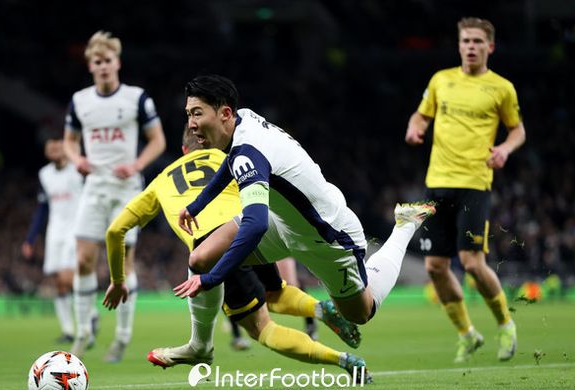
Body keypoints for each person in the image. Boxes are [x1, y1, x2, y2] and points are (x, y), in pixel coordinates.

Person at [146, 75, 433, 343]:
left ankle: (404, 226)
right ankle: (200, 345)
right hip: (283, 219)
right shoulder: (243, 119)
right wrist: (198, 204)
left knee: (361, 312)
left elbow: (255, 224)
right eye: (189, 114)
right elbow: (231, 163)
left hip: (327, 235)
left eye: (197, 114)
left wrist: (213, 279)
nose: (191, 123)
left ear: (224, 113)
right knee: (202, 256)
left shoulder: (248, 153)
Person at [103, 129, 367, 382]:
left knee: (263, 329)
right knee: (274, 293)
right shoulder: (230, 156)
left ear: (184, 150)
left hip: (212, 246)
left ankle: (342, 360)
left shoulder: (162, 180)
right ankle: (320, 308)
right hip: (246, 231)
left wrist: (118, 280)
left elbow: (115, 231)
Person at [405, 17, 525, 363]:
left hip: (474, 184)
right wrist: (414, 128)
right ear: (459, 46)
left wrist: (505, 149)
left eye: (477, 41)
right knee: (434, 267)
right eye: (466, 41)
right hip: (437, 183)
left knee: (472, 263)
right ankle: (467, 334)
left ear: (490, 47)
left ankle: (505, 324)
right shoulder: (441, 80)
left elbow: (518, 130)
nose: (471, 46)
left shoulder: (502, 88)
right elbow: (420, 116)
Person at [63, 30, 167, 362]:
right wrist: (76, 159)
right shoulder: (80, 101)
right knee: (83, 259)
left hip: (126, 189)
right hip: (94, 186)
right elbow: (69, 141)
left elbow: (158, 141)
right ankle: (83, 332)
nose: (103, 66)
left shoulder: (137, 98)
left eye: (108, 60)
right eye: (97, 61)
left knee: (122, 263)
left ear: (117, 63)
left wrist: (136, 164)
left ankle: (122, 336)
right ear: (90, 66)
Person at [22, 138, 83, 343]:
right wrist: (30, 239)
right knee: (59, 283)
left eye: (58, 146)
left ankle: (89, 315)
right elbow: (42, 209)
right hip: (55, 232)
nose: (54, 149)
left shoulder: (77, 169)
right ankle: (68, 330)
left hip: (75, 229)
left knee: (67, 277)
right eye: (50, 147)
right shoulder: (45, 174)